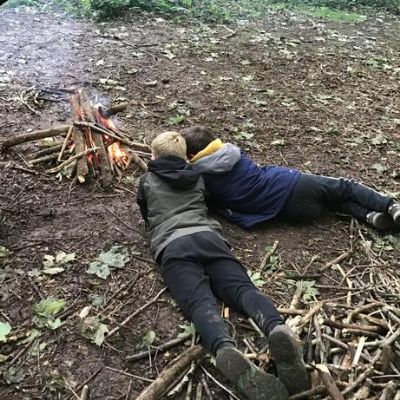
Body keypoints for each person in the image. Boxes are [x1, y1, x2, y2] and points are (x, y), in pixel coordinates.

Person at [136, 131, 308, 400]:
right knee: (243, 289)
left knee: (199, 301)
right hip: (210, 238)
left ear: (154, 156)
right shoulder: (197, 177)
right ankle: (276, 327)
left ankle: (223, 346)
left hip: (173, 245)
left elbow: (146, 214)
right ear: (185, 157)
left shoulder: (147, 180)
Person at [181, 125, 400, 230]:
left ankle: (369, 215)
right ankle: (390, 206)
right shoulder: (234, 154)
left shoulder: (201, 179)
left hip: (289, 212)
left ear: (191, 157)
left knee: (332, 204)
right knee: (345, 187)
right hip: (293, 185)